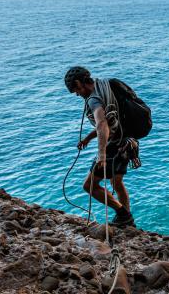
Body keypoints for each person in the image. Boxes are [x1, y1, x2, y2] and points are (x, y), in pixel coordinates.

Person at [64, 66, 135, 227]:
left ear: (78, 83)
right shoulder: (104, 87)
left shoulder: (93, 99)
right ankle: (128, 221)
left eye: (75, 90)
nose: (77, 94)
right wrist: (88, 138)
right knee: (116, 183)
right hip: (127, 141)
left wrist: (101, 155)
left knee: (89, 186)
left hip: (112, 148)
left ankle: (123, 214)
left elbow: (102, 123)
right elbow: (110, 121)